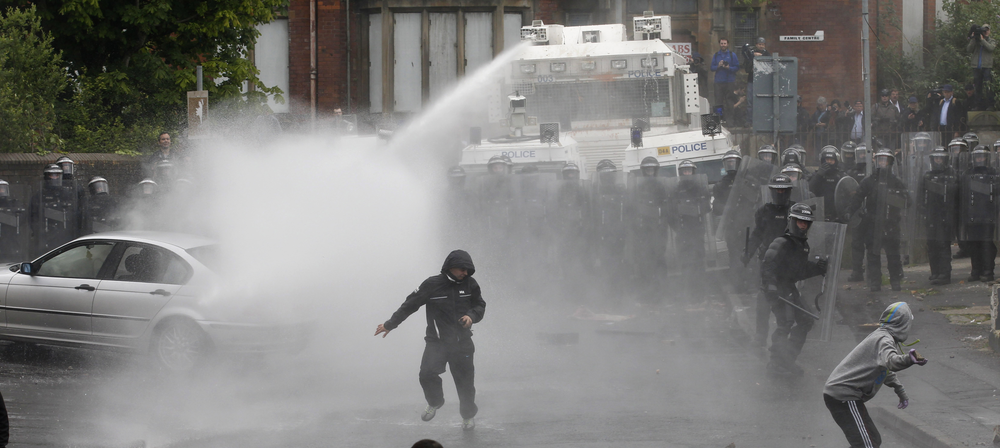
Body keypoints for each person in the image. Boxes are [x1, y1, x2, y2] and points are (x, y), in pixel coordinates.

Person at [375, 250, 486, 431]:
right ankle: (435, 401)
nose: (465, 273)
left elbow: (479, 305)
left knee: (466, 384)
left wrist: (471, 316)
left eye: (468, 270)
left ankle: (467, 416)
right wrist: (390, 324)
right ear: (451, 267)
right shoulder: (431, 284)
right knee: (426, 374)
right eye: (462, 269)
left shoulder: (470, 284)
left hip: (462, 343)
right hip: (437, 343)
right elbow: (409, 305)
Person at [824, 302, 927, 448]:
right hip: (844, 396)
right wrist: (908, 359)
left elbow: (884, 368)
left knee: (873, 439)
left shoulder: (883, 336)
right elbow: (891, 362)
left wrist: (900, 390)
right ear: (903, 324)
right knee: (867, 444)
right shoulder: (884, 339)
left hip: (845, 395)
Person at [760, 203, 828, 375]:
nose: (803, 225)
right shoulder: (782, 242)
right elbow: (768, 265)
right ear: (792, 221)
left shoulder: (802, 245)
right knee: (785, 323)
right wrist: (771, 286)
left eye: (806, 222)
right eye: (800, 222)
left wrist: (817, 268)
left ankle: (787, 360)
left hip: (789, 287)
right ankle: (775, 362)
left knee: (806, 320)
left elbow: (798, 271)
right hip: (777, 288)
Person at [744, 174, 796, 351]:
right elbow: (757, 234)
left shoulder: (796, 210)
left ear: (789, 191)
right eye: (777, 190)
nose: (780, 194)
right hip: (768, 262)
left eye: (784, 190)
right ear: (772, 191)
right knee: (764, 300)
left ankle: (782, 338)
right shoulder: (763, 212)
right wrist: (748, 252)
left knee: (787, 299)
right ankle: (760, 336)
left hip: (789, 262)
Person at [847, 149, 909, 291]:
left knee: (893, 255)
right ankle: (875, 282)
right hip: (873, 225)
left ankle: (895, 281)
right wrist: (849, 212)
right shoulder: (869, 181)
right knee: (873, 255)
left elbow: (907, 202)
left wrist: (891, 199)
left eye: (885, 161)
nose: (882, 163)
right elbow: (857, 198)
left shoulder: (896, 182)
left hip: (890, 224)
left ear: (890, 163)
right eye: (880, 160)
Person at [918, 148, 958, 285]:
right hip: (931, 215)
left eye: (941, 158)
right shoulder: (927, 176)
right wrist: (923, 210)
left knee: (942, 244)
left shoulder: (951, 175)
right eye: (936, 158)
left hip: (945, 215)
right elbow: (920, 195)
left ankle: (945, 273)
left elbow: (956, 196)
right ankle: (935, 272)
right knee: (932, 244)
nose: (938, 161)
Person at [958, 147, 998, 281]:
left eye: (983, 157)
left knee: (986, 244)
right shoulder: (967, 173)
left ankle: (988, 271)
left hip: (988, 215)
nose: (980, 159)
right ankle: (976, 270)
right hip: (972, 215)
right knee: (974, 244)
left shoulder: (993, 173)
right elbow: (962, 195)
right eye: (978, 157)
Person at [809, 146, 846, 221]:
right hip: (820, 211)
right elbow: (810, 189)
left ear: (836, 161)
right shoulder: (816, 175)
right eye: (827, 160)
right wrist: (819, 175)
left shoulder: (841, 175)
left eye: (831, 160)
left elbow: (848, 192)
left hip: (837, 212)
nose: (829, 162)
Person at [743, 37, 770, 125]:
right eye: (759, 44)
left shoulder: (767, 54)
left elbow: (769, 67)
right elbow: (746, 67)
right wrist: (753, 57)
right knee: (750, 102)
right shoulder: (751, 53)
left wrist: (761, 57)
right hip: (752, 80)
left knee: (762, 101)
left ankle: (761, 121)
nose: (761, 46)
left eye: (763, 44)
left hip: (762, 82)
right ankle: (749, 121)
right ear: (756, 45)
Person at [968, 23, 994, 111]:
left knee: (988, 87)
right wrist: (973, 39)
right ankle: (978, 105)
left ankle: (990, 105)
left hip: (986, 67)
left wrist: (983, 40)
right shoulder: (976, 41)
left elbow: (991, 48)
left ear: (989, 31)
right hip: (976, 67)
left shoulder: (991, 41)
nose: (986, 32)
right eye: (984, 30)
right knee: (978, 87)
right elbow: (969, 49)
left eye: (987, 30)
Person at [710, 38, 740, 111]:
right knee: (718, 102)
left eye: (724, 43)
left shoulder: (732, 55)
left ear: (727, 44)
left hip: (729, 81)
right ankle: (719, 117)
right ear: (719, 44)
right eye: (721, 43)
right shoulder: (716, 55)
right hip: (718, 82)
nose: (723, 45)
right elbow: (711, 68)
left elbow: (737, 67)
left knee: (729, 101)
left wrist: (729, 68)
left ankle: (730, 118)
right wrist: (718, 66)